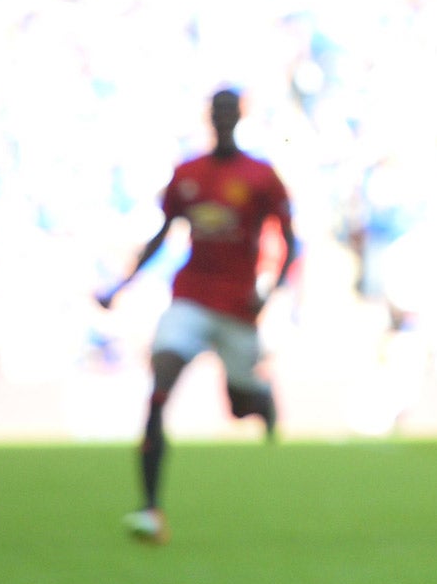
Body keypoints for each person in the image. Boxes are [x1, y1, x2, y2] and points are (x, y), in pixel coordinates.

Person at [97, 89, 295, 544]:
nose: (224, 120)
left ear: (239, 118)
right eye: (217, 113)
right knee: (160, 385)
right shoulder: (187, 175)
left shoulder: (262, 177)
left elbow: (288, 238)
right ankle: (150, 508)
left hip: (237, 307)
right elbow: (163, 235)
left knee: (239, 406)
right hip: (189, 298)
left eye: (231, 113)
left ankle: (260, 398)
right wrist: (122, 286)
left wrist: (269, 292)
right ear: (211, 118)